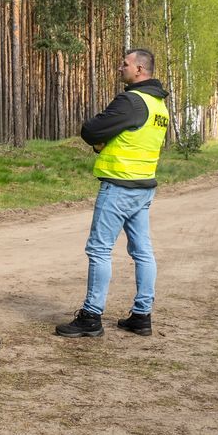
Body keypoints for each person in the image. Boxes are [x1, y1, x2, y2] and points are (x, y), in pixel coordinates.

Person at [55, 49, 169, 339]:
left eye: (125, 64)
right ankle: (142, 316)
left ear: (140, 69)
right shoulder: (158, 106)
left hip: (119, 185)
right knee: (143, 251)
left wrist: (98, 141)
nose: (120, 68)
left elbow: (91, 130)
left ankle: (92, 316)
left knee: (99, 250)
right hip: (143, 187)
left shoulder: (131, 101)